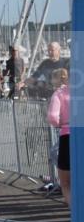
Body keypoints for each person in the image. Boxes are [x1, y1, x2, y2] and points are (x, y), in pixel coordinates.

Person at [47, 68, 71, 208]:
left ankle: (76, 213)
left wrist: (61, 123)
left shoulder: (59, 94)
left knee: (66, 182)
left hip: (67, 135)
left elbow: (52, 117)